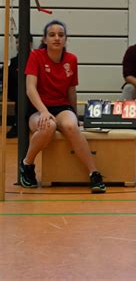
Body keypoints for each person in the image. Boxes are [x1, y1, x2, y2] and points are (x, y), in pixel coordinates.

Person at [20, 20, 106, 193]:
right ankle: (27, 165)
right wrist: (44, 111)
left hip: (61, 107)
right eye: (52, 35)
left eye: (61, 35)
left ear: (66, 39)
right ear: (45, 39)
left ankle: (94, 174)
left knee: (70, 126)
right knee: (48, 126)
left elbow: (71, 91)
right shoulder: (36, 55)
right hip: (38, 108)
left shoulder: (71, 59)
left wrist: (75, 114)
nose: (56, 38)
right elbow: (30, 89)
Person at [1, 35, 33, 138]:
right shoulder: (13, 61)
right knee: (20, 93)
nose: (18, 45)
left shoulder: (36, 58)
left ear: (30, 44)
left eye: (20, 42)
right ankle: (18, 125)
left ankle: (18, 125)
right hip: (16, 92)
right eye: (17, 42)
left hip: (33, 91)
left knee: (23, 92)